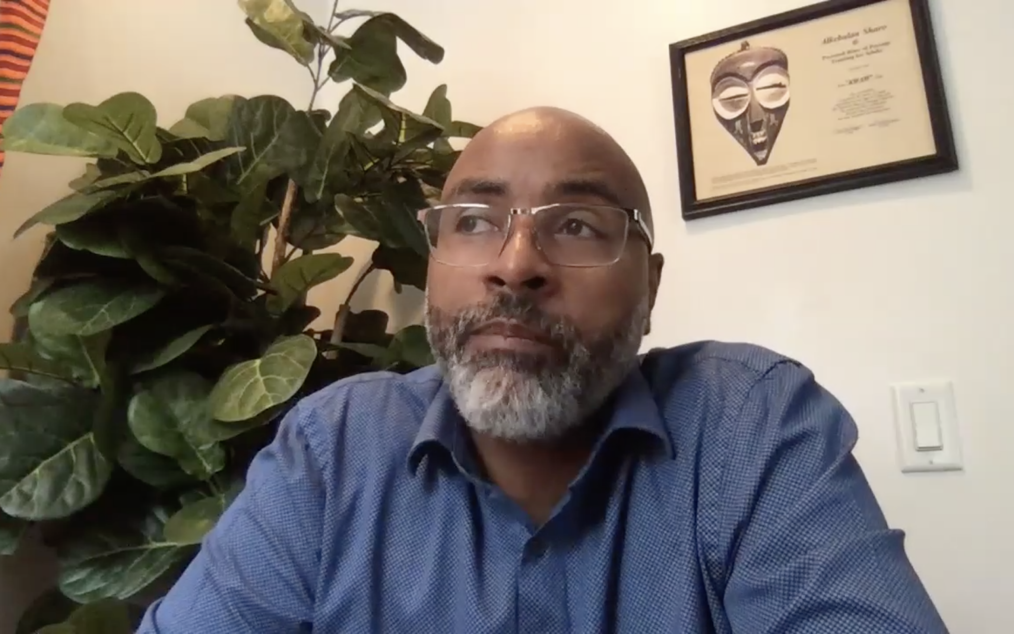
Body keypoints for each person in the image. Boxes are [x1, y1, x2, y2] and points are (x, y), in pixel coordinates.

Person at [137, 107, 949, 633]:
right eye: (475, 221)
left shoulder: (751, 428)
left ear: (651, 285)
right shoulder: (332, 448)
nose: (516, 265)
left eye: (579, 226)